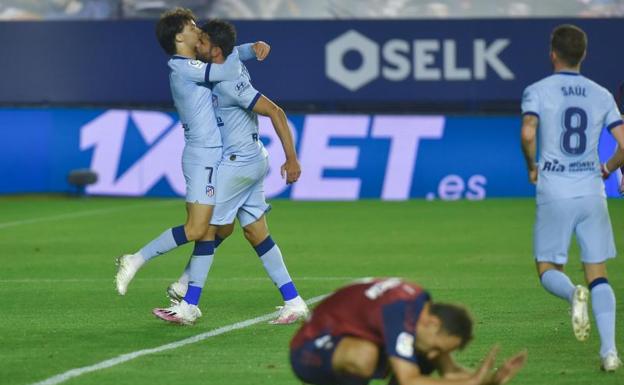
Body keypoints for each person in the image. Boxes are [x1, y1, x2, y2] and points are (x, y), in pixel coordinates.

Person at [114, 8, 266, 325]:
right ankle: (135, 259)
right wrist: (245, 50)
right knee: (199, 229)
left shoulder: (191, 65)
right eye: (192, 26)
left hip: (214, 156)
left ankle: (187, 290)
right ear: (179, 37)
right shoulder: (183, 68)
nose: (199, 29)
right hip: (203, 157)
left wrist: (250, 50)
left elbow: (218, 58)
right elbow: (222, 68)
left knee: (220, 228)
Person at [162, 19, 308, 325]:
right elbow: (237, 53)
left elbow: (275, 112)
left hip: (238, 162)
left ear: (214, 50)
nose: (196, 45)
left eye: (201, 41)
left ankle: (189, 303)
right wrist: (254, 49)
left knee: (206, 229)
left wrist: (292, 159)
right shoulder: (220, 63)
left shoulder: (231, 83)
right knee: (257, 233)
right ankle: (293, 301)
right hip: (249, 159)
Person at [520, 24, 624, 371]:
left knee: (547, 267)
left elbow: (528, 132)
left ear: (553, 53)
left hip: (555, 188)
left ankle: (570, 294)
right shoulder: (601, 93)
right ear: (584, 54)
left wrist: (532, 165)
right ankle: (609, 353)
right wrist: (607, 168)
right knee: (599, 272)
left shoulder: (537, 91)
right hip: (591, 190)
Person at [289, 278, 527, 385]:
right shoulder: (399, 311)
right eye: (439, 347)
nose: (436, 355)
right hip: (311, 349)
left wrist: (488, 381)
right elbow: (409, 380)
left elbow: (450, 372)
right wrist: (471, 382)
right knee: (366, 357)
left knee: (421, 358)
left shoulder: (422, 309)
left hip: (351, 341)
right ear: (433, 323)